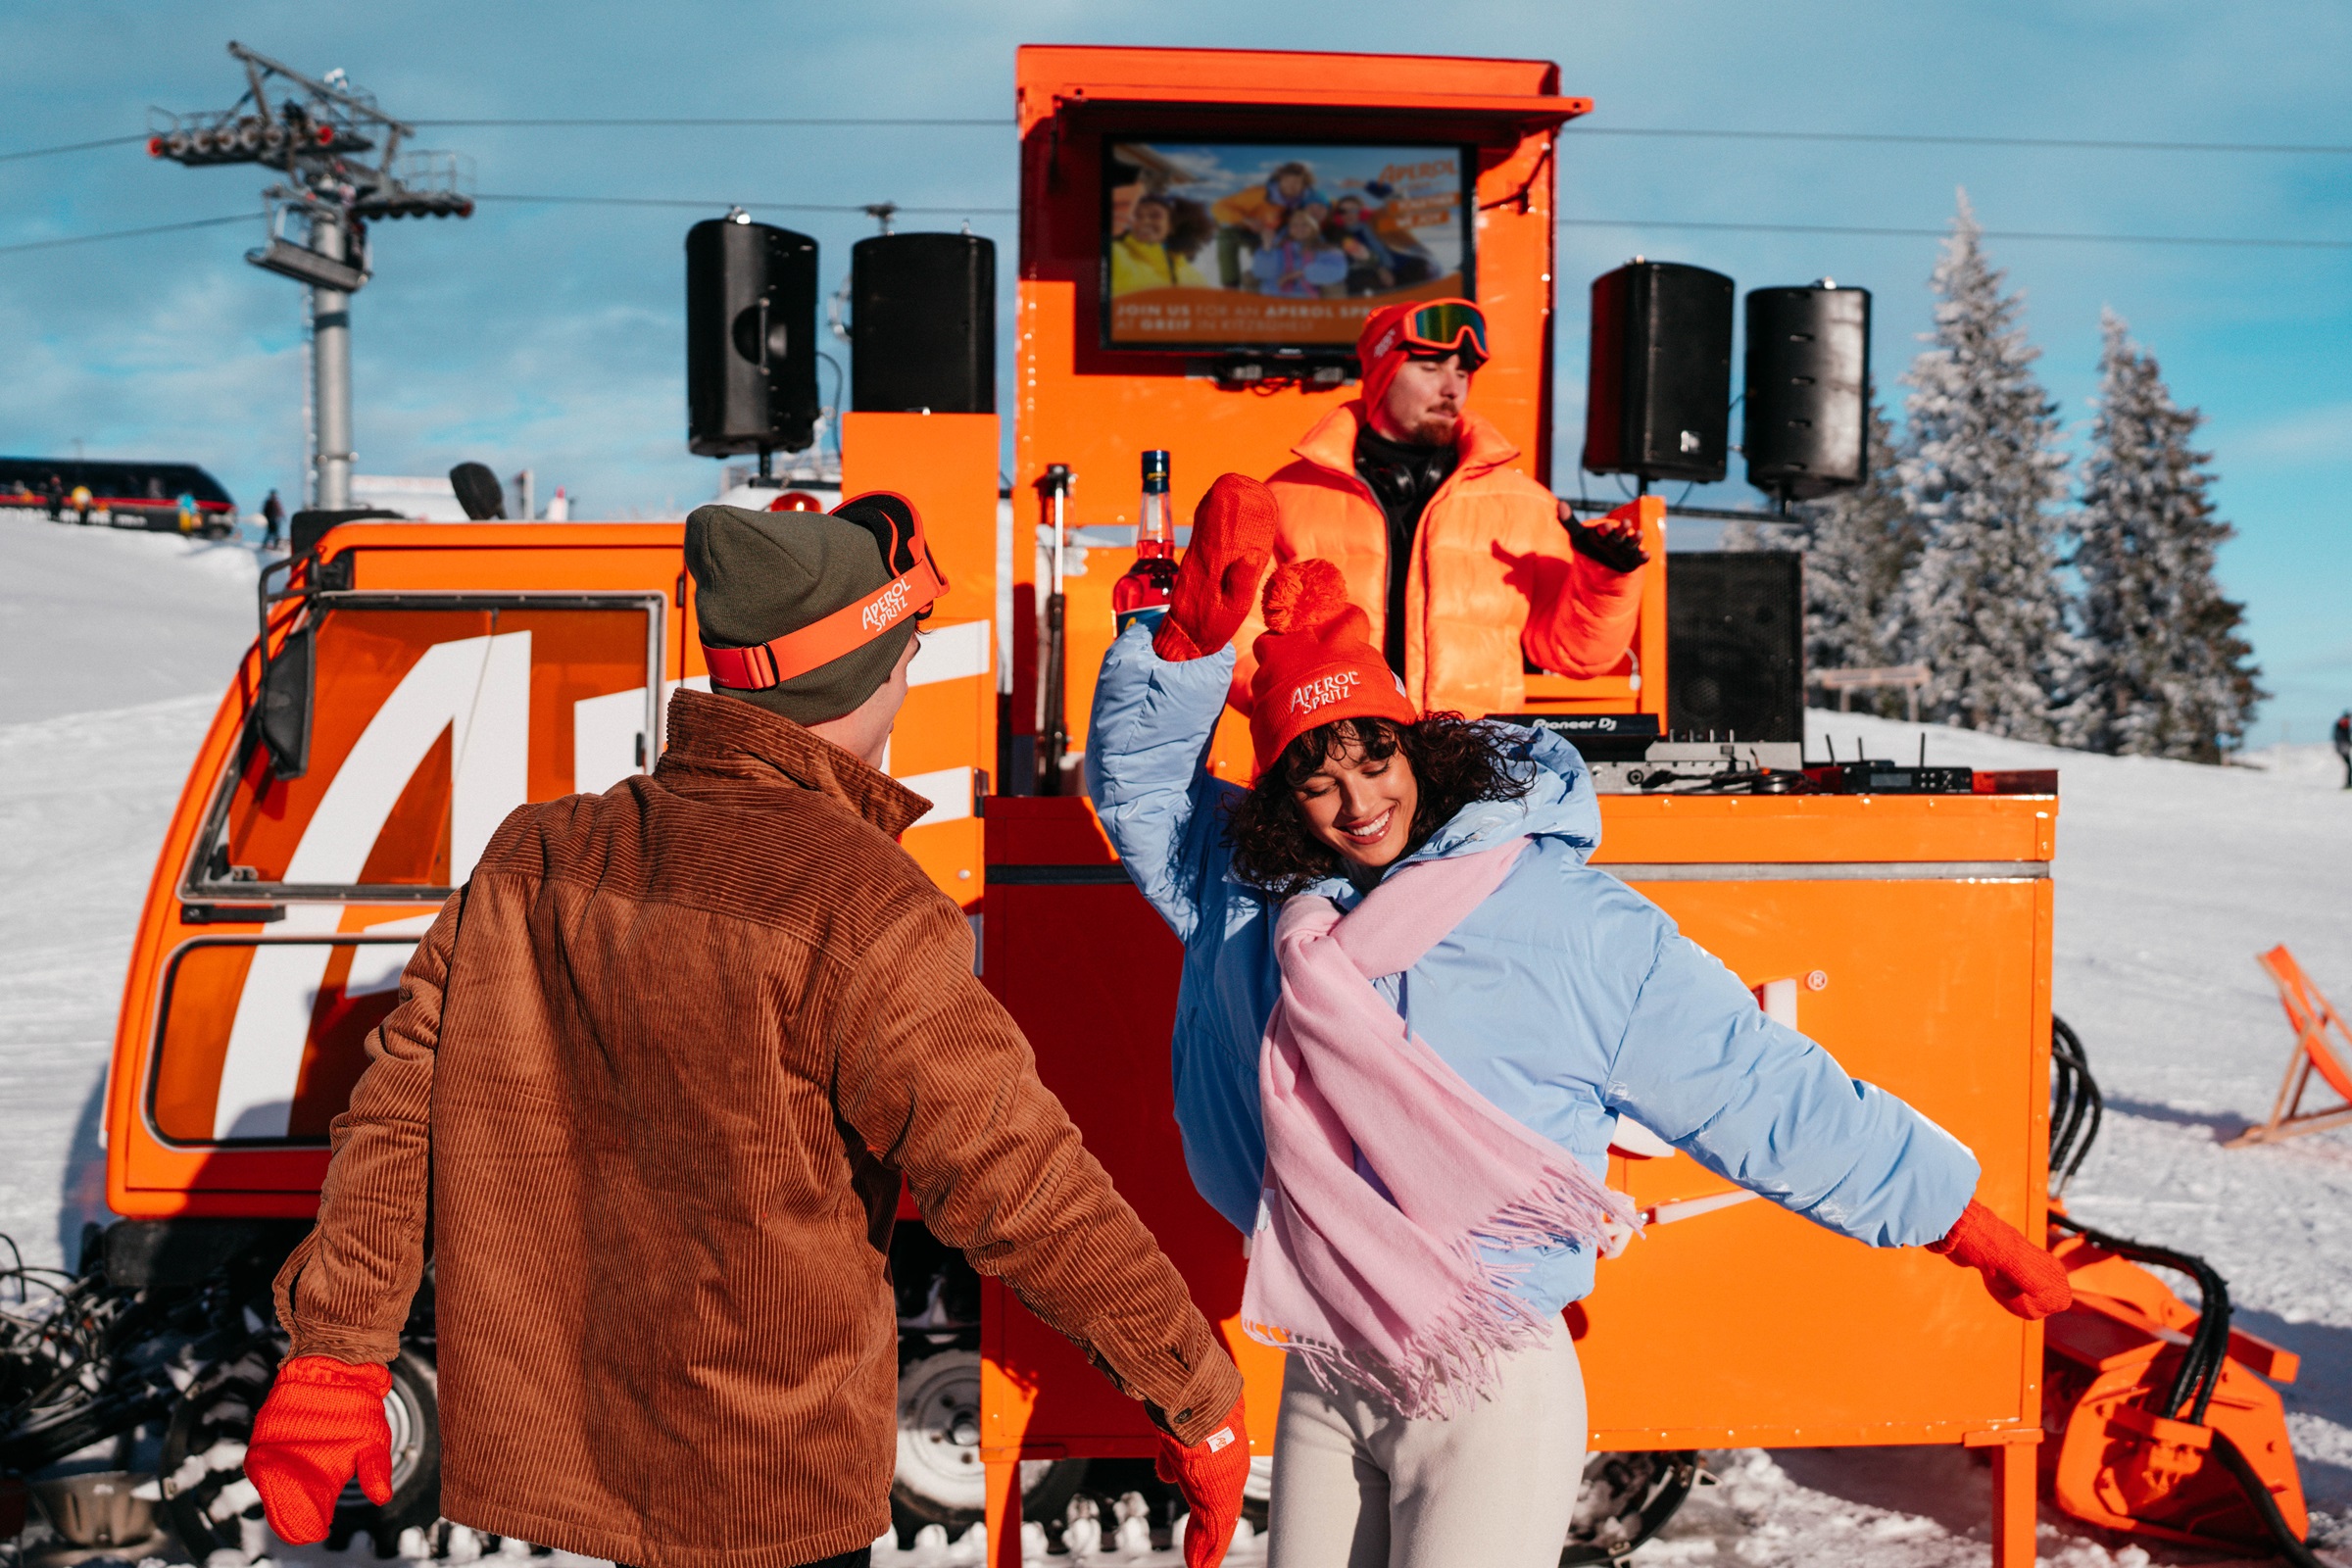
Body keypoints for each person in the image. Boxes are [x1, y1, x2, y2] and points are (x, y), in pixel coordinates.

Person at [241, 496, 1254, 1568]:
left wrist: (337, 1351)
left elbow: (401, 1114)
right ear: (863, 669)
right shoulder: (864, 905)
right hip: (770, 1489)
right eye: (906, 651)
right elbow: (1021, 1181)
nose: (908, 680)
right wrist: (1195, 1389)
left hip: (591, 1456)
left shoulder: (535, 856)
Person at [1087, 481, 2073, 1568]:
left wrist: (1948, 1212)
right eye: (1318, 781)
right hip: (1330, 1366)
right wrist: (1182, 647)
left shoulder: (1559, 915)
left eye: (1376, 758)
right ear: (1283, 801)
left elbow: (1752, 1084)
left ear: (1421, 748)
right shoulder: (1250, 903)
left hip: (1492, 1379)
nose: (1359, 800)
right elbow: (1141, 794)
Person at [1230, 299, 1649, 719]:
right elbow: (1237, 640)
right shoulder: (1285, 497)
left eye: (1462, 372)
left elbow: (1575, 656)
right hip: (1338, 768)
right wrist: (1315, 721)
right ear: (1380, 372)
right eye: (1430, 368)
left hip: (1476, 768)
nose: (1452, 389)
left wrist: (1604, 581)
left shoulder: (1527, 505)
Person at [1212, 160, 1322, 288]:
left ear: (1304, 184)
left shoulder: (1308, 198)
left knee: (1266, 268)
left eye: (1296, 182)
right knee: (1227, 236)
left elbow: (1330, 205)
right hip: (1250, 232)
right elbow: (1218, 207)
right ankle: (1230, 285)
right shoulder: (1260, 194)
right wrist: (1245, 220)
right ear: (1279, 180)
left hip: (1280, 237)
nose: (1290, 186)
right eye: (1286, 180)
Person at [1110, 191, 1212, 295]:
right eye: (1137, 216)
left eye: (1155, 216)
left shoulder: (1194, 277)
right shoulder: (1116, 254)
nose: (1144, 221)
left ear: (1171, 226)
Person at [1250, 204, 1348, 299]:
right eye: (1294, 225)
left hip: (1308, 297)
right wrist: (1267, 247)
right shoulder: (1278, 246)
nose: (1299, 229)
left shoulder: (1325, 248)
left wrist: (1302, 273)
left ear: (1313, 228)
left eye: (1305, 225)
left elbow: (1338, 270)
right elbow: (1262, 272)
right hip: (1277, 295)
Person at [2333, 709, 2351, 788]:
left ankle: (2348, 783)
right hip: (2343, 748)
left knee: (2349, 767)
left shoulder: (2342, 725)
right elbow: (2344, 737)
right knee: (2349, 767)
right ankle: (2348, 784)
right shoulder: (2343, 724)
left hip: (2343, 747)